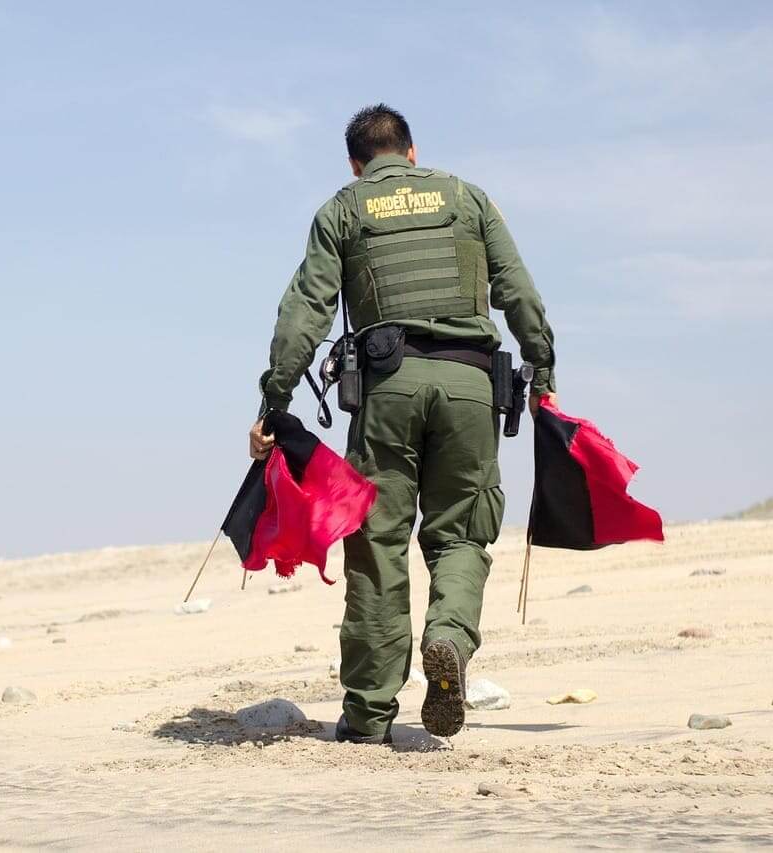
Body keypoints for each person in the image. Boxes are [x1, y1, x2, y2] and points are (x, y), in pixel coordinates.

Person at [249, 104, 557, 743]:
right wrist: (542, 372)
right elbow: (519, 292)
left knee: (377, 544)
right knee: (462, 535)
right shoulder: (468, 198)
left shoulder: (342, 209)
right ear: (411, 153)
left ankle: (367, 715)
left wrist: (274, 401)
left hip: (387, 390)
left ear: (357, 163)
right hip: (473, 386)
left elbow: (304, 308)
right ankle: (447, 640)